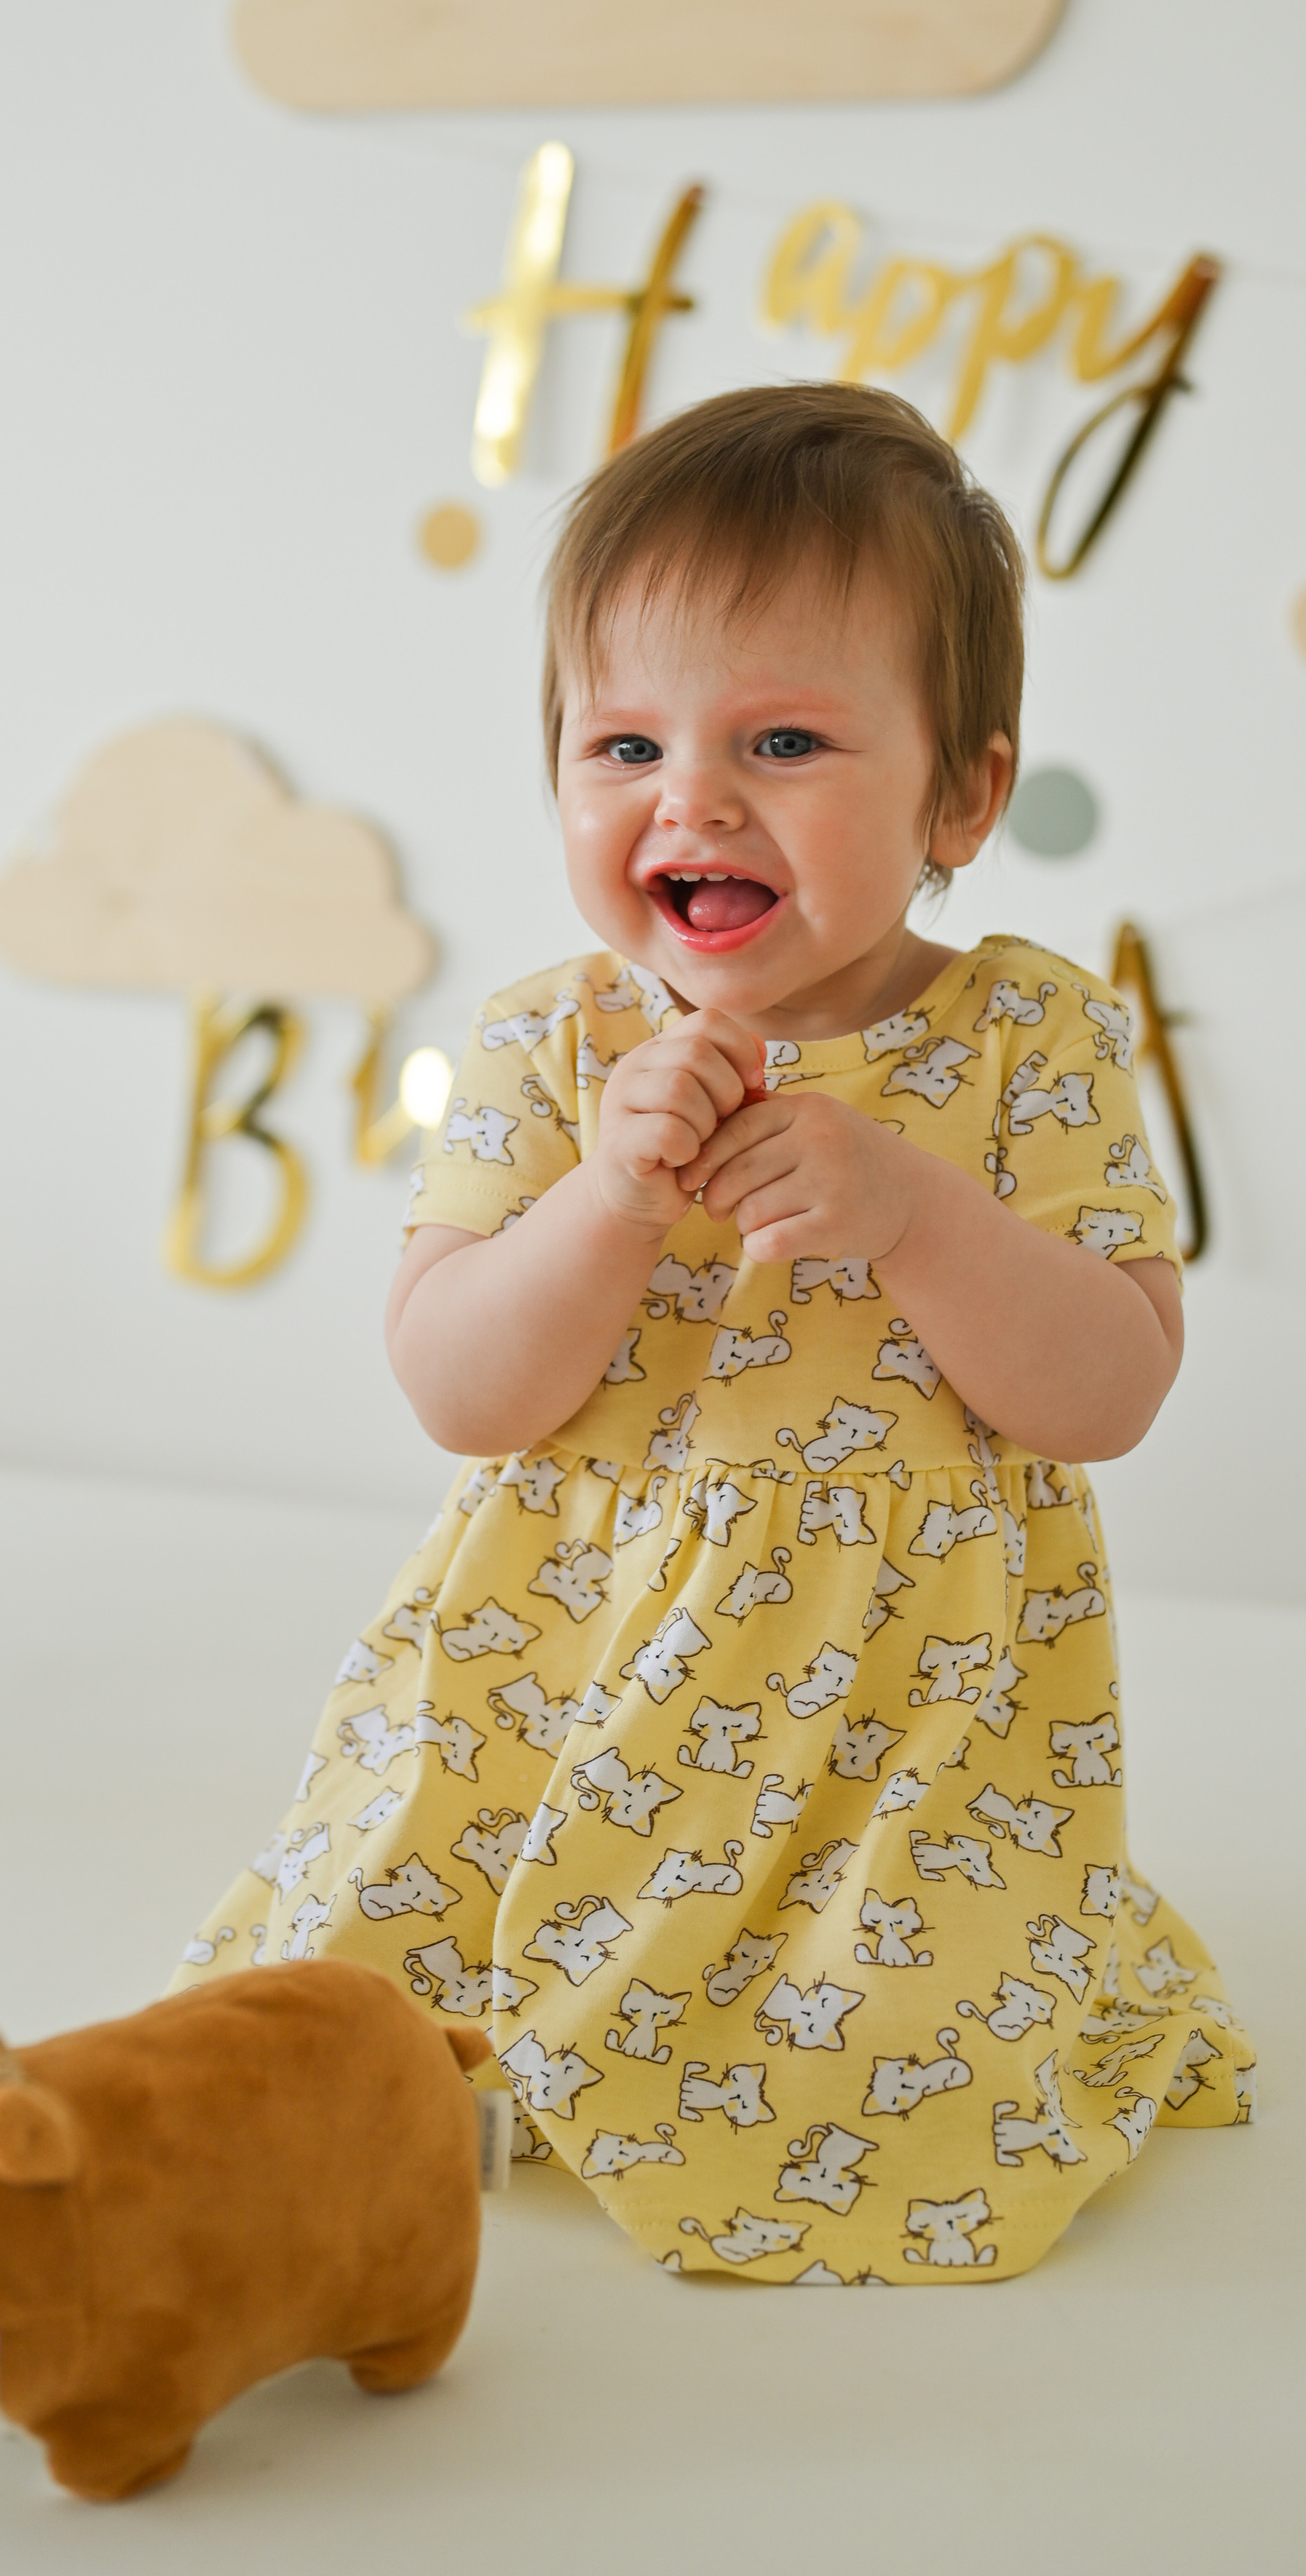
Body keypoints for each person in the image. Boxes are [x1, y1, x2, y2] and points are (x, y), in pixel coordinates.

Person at [170, 384, 1254, 2283]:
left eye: (782, 737)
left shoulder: (1032, 1042)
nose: (692, 796)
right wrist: (605, 1203)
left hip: (894, 1726)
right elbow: (459, 1385)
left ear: (962, 794)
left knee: (896, 2034)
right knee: (352, 1983)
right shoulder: (545, 1044)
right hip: (557, 1683)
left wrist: (919, 1213)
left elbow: (1110, 1391)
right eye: (624, 741)